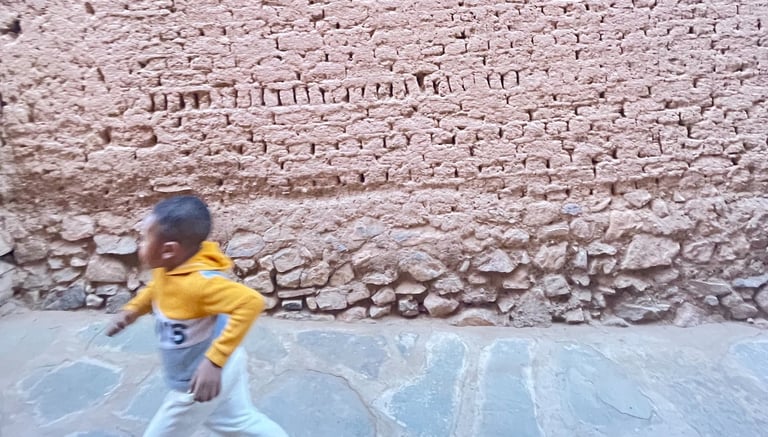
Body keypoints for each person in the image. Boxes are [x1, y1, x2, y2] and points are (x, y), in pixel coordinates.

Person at [106, 195, 287, 437]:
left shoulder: (200, 284)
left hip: (198, 379)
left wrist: (213, 362)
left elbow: (251, 301)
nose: (140, 244)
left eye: (144, 238)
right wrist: (133, 311)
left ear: (169, 250)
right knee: (239, 422)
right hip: (227, 364)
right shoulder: (169, 269)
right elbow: (157, 290)